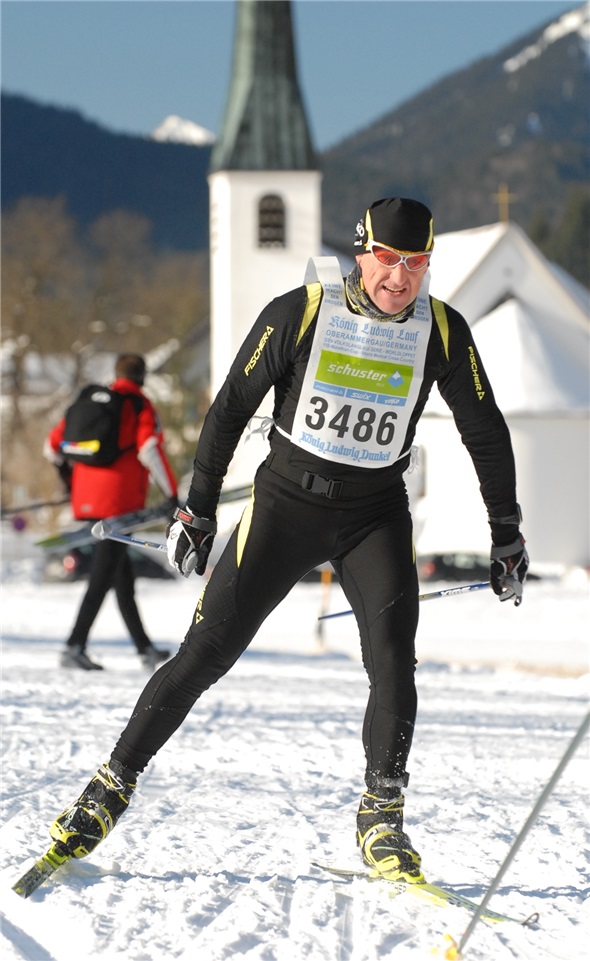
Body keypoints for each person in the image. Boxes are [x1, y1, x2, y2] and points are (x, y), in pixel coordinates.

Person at [44, 199, 528, 882]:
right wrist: (198, 511)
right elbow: (229, 410)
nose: (400, 277)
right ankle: (109, 787)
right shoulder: (300, 311)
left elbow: (486, 429)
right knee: (205, 651)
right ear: (362, 254)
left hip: (374, 514)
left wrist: (505, 532)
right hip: (285, 506)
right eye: (388, 259)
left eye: (415, 262)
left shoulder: (441, 329)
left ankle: (381, 814)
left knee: (393, 660)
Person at [44, 353, 178, 672]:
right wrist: (172, 494)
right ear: (143, 376)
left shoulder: (93, 402)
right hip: (119, 504)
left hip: (88, 499)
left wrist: (69, 483)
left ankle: (145, 650)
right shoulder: (137, 404)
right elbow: (148, 449)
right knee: (102, 577)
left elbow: (51, 447)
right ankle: (73, 646)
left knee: (121, 578)